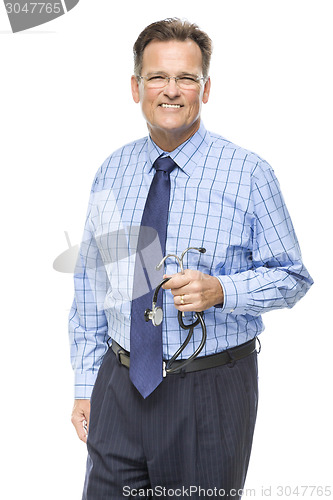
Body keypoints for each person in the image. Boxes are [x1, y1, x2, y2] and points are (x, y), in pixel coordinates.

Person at [69, 18, 313, 499]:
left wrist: (222, 291)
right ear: (136, 86)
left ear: (206, 88)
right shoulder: (112, 170)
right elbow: (89, 285)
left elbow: (292, 277)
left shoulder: (249, 174)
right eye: (158, 77)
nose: (171, 91)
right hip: (118, 386)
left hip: (209, 392)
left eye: (187, 78)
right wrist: (84, 383)